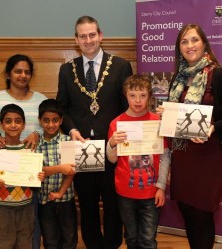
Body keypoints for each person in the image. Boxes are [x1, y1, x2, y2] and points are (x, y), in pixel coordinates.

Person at [157, 24, 222, 249]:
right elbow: (179, 118)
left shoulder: (220, 75)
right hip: (183, 155)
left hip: (209, 155)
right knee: (187, 210)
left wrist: (213, 127)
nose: (190, 46)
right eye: (184, 41)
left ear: (204, 43)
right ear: (179, 48)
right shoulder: (177, 79)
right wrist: (167, 114)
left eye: (194, 40)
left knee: (201, 213)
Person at [56, 16, 133, 249]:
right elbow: (62, 108)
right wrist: (72, 130)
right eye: (82, 36)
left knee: (112, 202)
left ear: (100, 35)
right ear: (76, 40)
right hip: (82, 146)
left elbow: (126, 107)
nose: (88, 40)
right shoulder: (66, 70)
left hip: (111, 147)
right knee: (87, 203)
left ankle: (111, 243)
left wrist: (117, 138)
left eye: (92, 35)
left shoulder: (121, 66)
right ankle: (92, 244)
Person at [0, 54, 47, 249]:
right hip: (4, 171)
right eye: (18, 71)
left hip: (29, 172)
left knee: (29, 225)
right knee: (5, 232)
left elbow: (49, 126)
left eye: (27, 72)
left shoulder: (41, 99)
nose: (22, 75)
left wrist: (37, 134)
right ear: (8, 73)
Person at [106, 74, 170, 249]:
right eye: (132, 95)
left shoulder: (157, 121)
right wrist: (111, 143)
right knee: (131, 238)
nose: (137, 100)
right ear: (125, 96)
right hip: (125, 191)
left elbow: (165, 155)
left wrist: (161, 186)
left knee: (148, 240)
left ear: (149, 96)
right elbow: (112, 159)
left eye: (142, 95)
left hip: (151, 192)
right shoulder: (116, 123)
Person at [36, 99, 78, 249]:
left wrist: (60, 192)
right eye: (46, 120)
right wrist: (60, 167)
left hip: (66, 199)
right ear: (40, 121)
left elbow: (70, 171)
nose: (50, 124)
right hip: (44, 200)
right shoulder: (36, 144)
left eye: (55, 120)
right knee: (50, 240)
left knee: (69, 238)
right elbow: (38, 171)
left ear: (61, 121)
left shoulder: (67, 141)